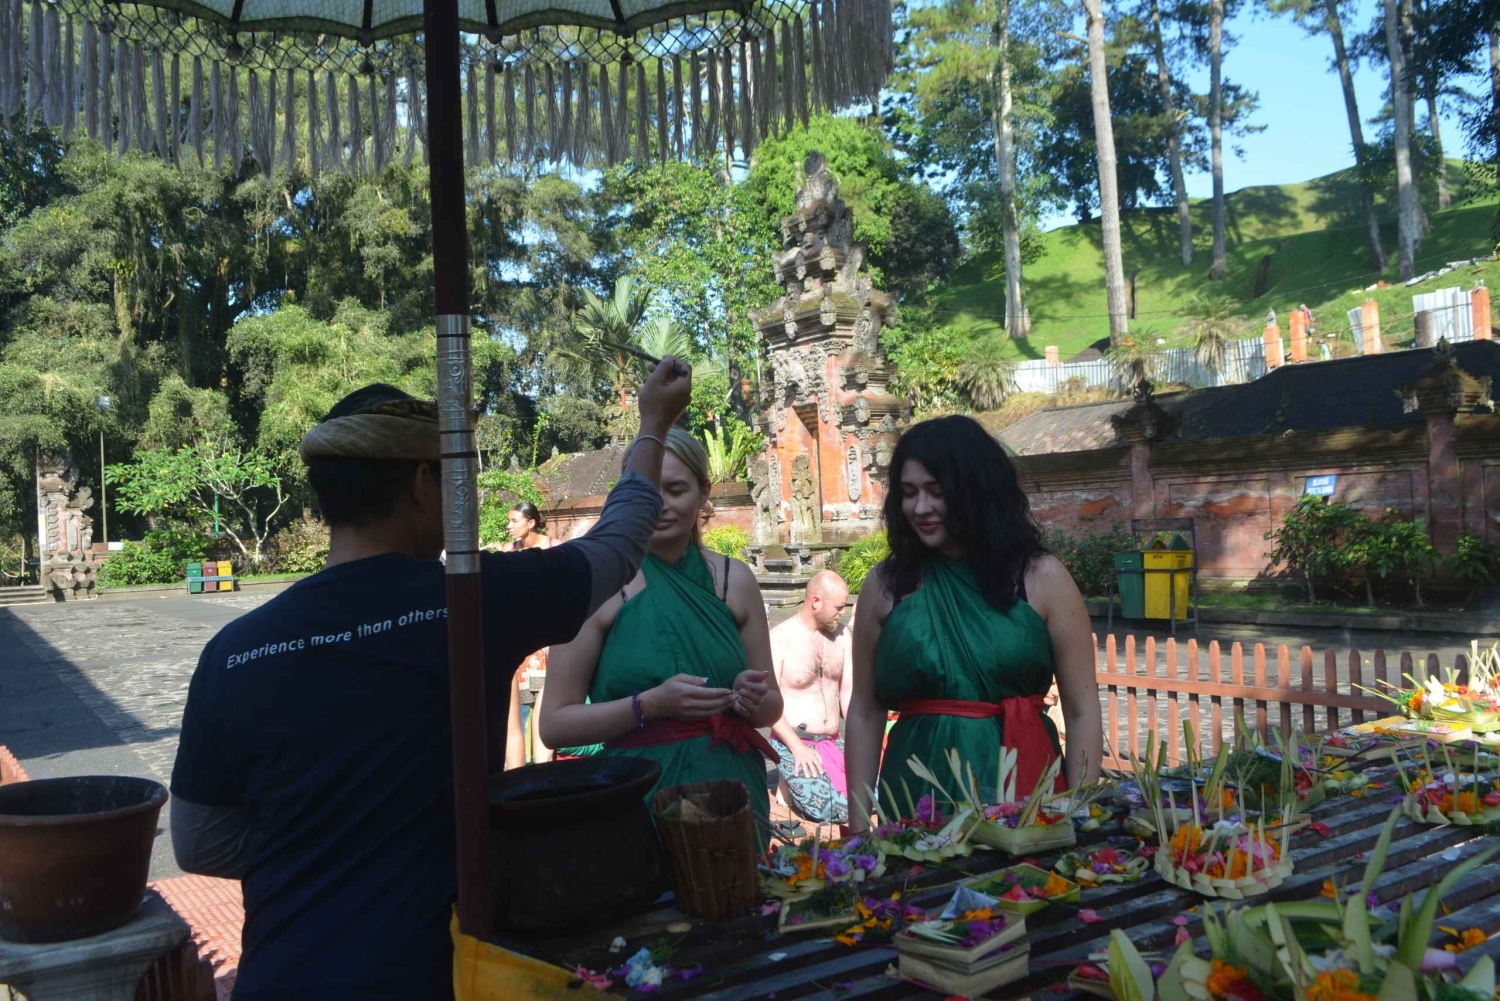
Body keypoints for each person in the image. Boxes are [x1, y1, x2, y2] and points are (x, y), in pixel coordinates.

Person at [169, 357, 692, 1001]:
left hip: (282, 976)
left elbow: (199, 844)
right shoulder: (476, 604)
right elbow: (618, 545)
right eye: (452, 483)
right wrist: (652, 424)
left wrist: (327, 837)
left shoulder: (233, 652)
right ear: (422, 484)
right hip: (434, 975)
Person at [844, 415, 1103, 832]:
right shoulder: (885, 585)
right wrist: (858, 827)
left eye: (937, 492)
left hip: (1024, 787)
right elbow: (865, 710)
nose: (920, 508)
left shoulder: (1043, 578)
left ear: (976, 493)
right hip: (916, 790)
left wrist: (1081, 809)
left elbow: (1081, 707)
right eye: (909, 493)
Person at [539, 429, 784, 838]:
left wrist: (750, 696)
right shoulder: (596, 586)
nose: (662, 505)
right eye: (649, 491)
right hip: (638, 792)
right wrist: (648, 706)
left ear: (703, 494)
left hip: (732, 789)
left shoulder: (733, 580)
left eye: (676, 489)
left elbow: (771, 708)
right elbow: (555, 724)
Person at [767, 570, 853, 826]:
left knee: (875, 795)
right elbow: (767, 705)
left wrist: (865, 737)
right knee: (829, 810)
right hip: (795, 740)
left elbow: (848, 691)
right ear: (815, 602)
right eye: (838, 607)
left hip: (834, 741)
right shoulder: (779, 639)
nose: (842, 613)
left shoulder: (842, 635)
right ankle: (788, 775)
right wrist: (797, 747)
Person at [496, 502, 556, 769]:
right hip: (519, 635)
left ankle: (544, 775)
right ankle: (518, 778)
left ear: (531, 522)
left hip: (549, 637)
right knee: (515, 713)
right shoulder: (508, 553)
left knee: (543, 709)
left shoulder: (556, 548)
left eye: (513, 520)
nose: (508, 526)